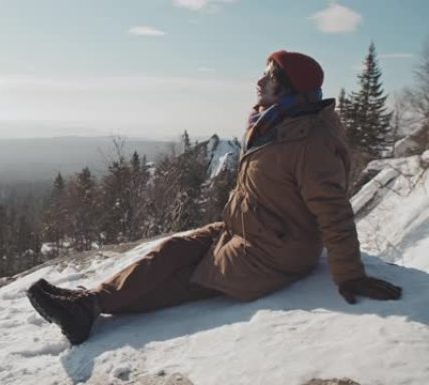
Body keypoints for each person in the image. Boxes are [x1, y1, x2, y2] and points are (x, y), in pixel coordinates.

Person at [26, 50, 403, 345]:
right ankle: (89, 300)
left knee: (182, 280)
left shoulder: (311, 142)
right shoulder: (276, 122)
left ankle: (85, 313)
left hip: (270, 255)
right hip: (244, 230)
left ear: (290, 89)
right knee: (171, 250)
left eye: (269, 76)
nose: (259, 81)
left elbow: (334, 211)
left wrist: (351, 276)